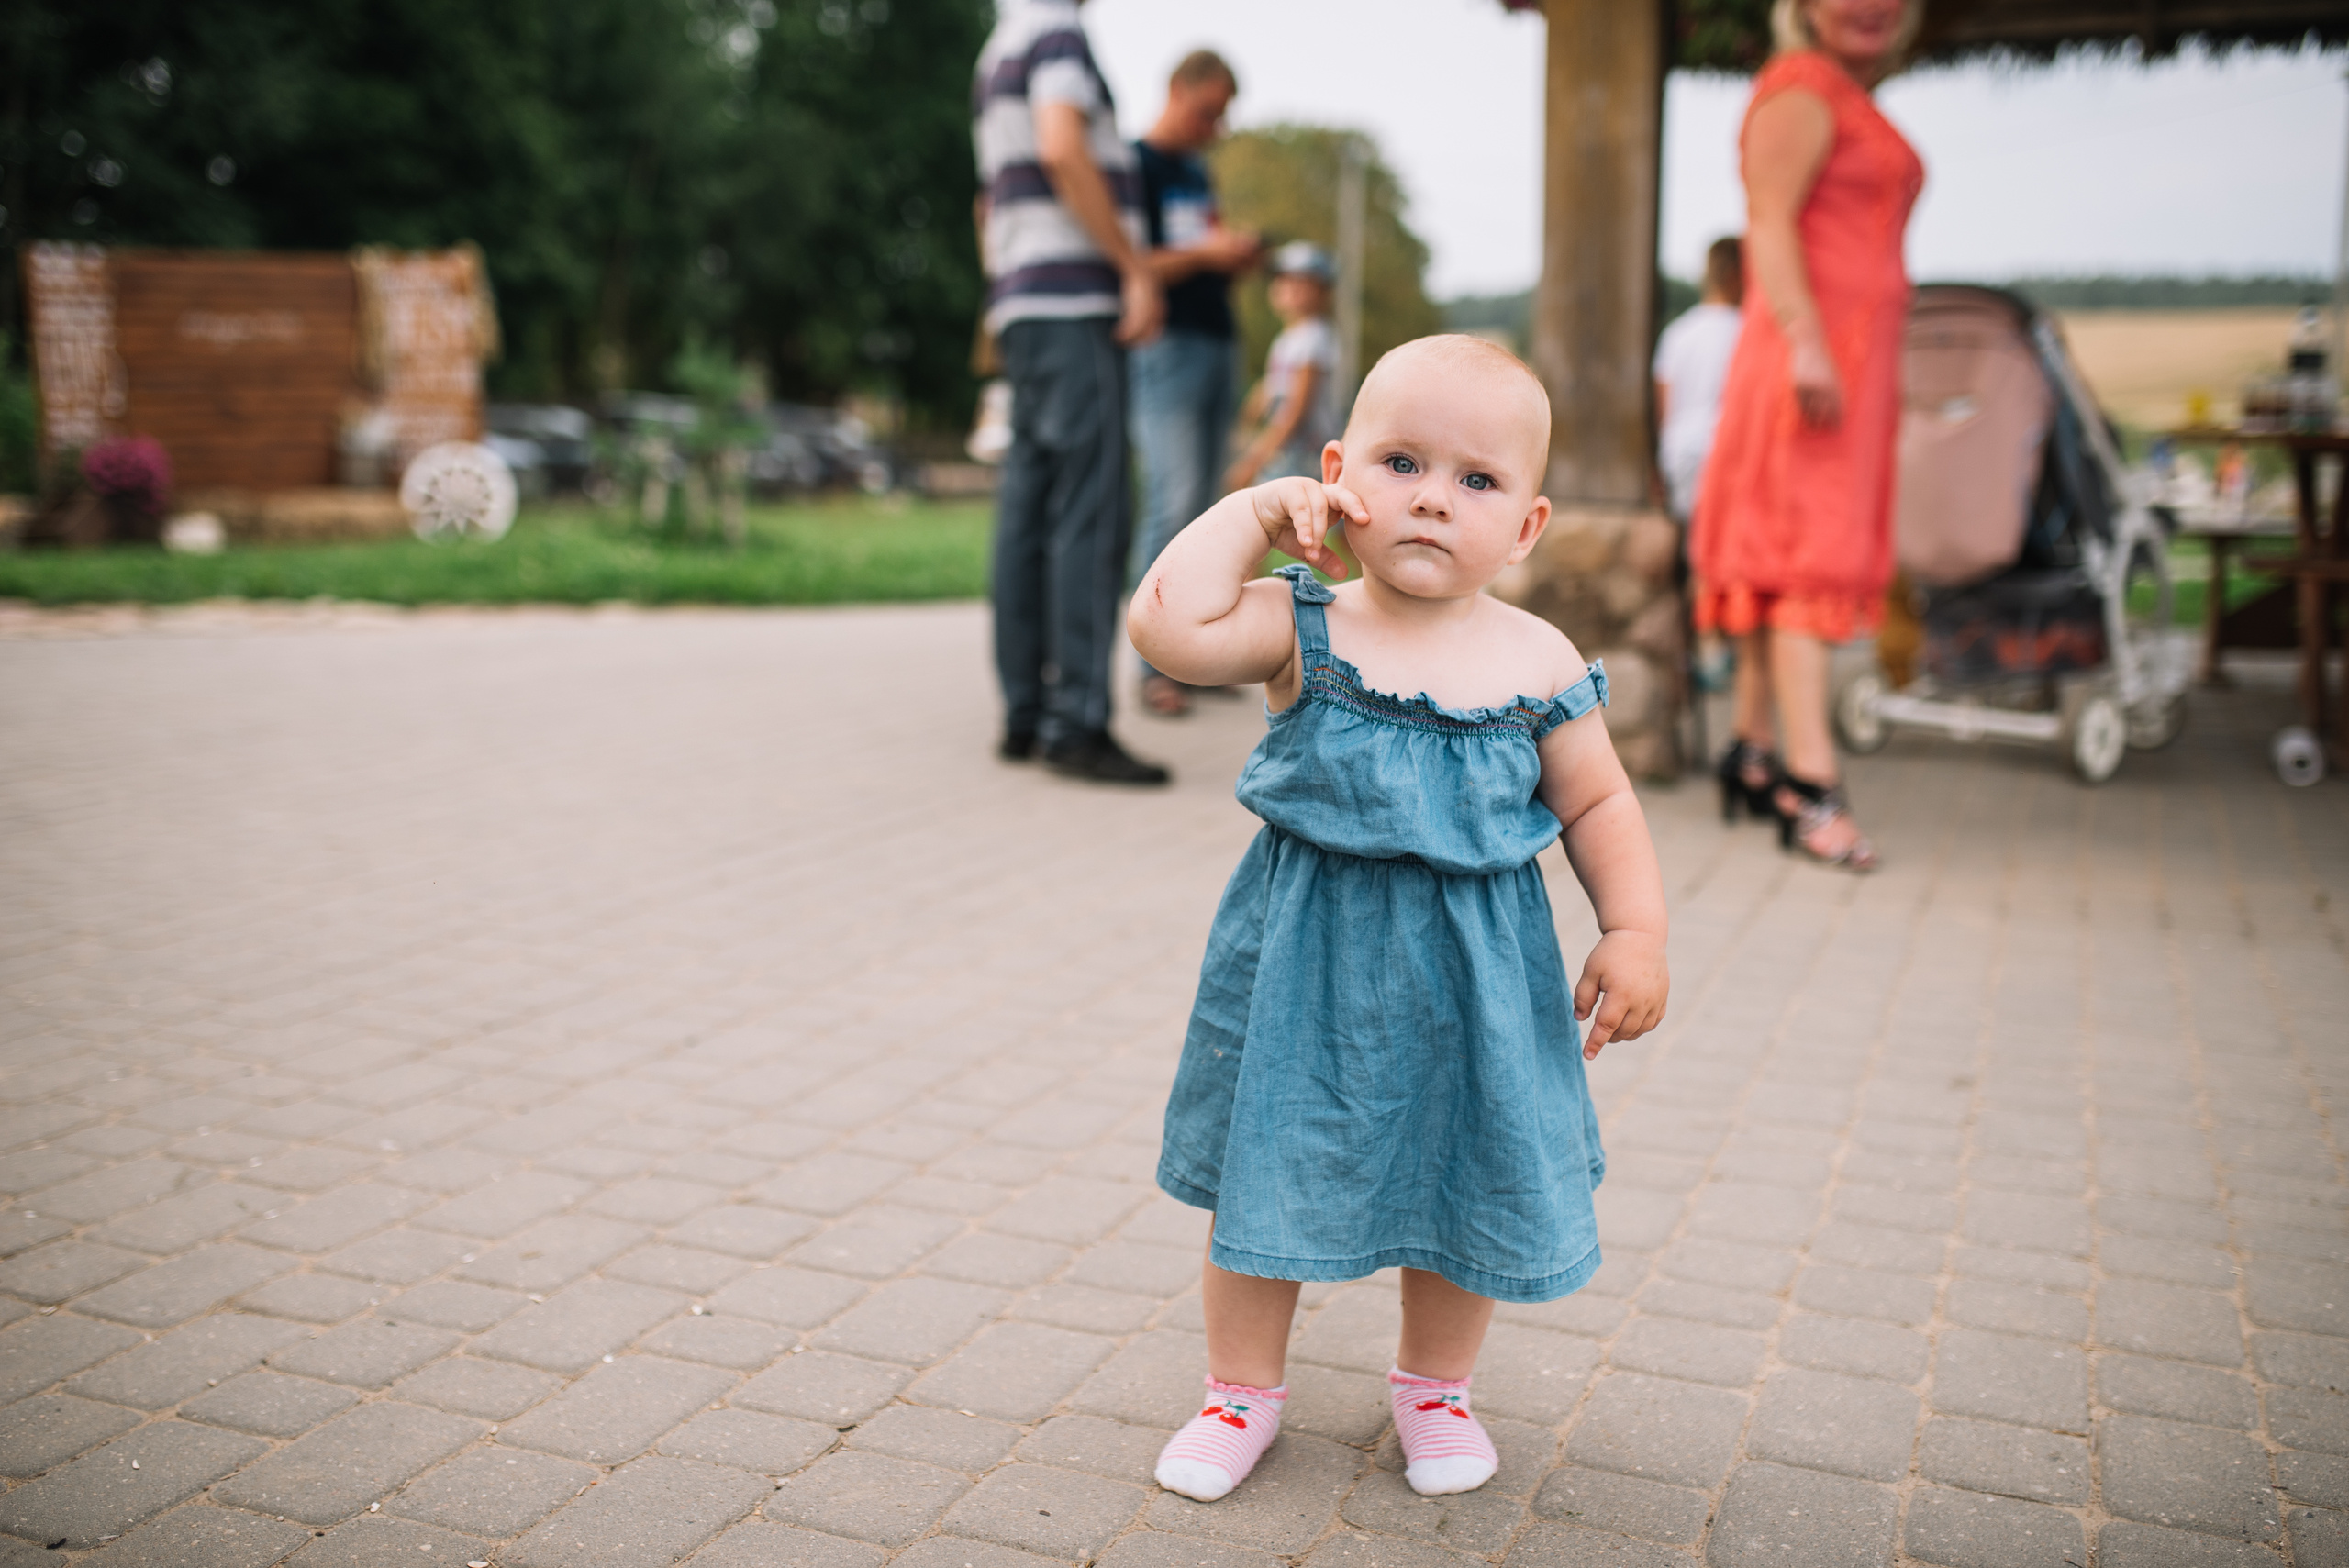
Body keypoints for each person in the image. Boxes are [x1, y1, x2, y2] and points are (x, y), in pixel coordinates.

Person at [1128, 336, 1670, 1503]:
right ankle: (1239, 1391)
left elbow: (1596, 798)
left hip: (1478, 979)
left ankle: (1434, 1387)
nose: (1433, 495)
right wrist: (1249, 514)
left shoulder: (1536, 658)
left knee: (1463, 1169)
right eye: (1401, 460)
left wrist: (1633, 930)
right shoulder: (1303, 623)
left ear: (1525, 527)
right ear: (1339, 477)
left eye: (1477, 481)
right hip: (1301, 973)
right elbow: (1167, 626)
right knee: (1262, 1168)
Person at [1690, 0, 1922, 870]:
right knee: (1802, 556)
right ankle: (1810, 782)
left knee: (1778, 547)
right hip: (1810, 357)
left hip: (1846, 358)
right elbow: (1771, 221)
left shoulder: (1846, 97)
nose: (1870, 7)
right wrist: (1807, 340)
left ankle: (1752, 753)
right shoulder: (1799, 88)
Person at [973, 0, 1170, 784]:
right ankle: (1079, 719)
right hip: (1073, 300)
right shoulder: (1057, 32)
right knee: (1093, 508)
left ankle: (1026, 712)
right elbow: (1062, 147)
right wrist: (1134, 265)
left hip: (1023, 301)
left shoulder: (998, 44)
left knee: (1028, 504)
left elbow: (987, 199)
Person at [1130, 50, 1264, 719]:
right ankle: (1154, 665)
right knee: (1170, 498)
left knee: (1210, 506)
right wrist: (1205, 254)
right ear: (1176, 89)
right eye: (1209, 110)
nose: (1215, 125)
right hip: (1167, 345)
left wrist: (1229, 257)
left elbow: (1200, 252)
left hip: (1217, 339)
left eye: (1223, 115)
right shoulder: (1138, 166)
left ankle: (1201, 653)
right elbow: (1135, 261)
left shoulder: (1197, 173)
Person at [1224, 243, 1341, 491]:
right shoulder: (1288, 339)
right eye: (1283, 280)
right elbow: (1272, 388)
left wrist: (1254, 460)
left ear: (1323, 292)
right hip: (1288, 449)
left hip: (1303, 452)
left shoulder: (1313, 337)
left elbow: (1297, 409)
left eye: (1303, 282)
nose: (1290, 288)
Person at [1653, 237, 1745, 525]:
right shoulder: (1746, 333)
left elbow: (1664, 409)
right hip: (1729, 452)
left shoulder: (1677, 333)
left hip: (1681, 454)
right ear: (1737, 276)